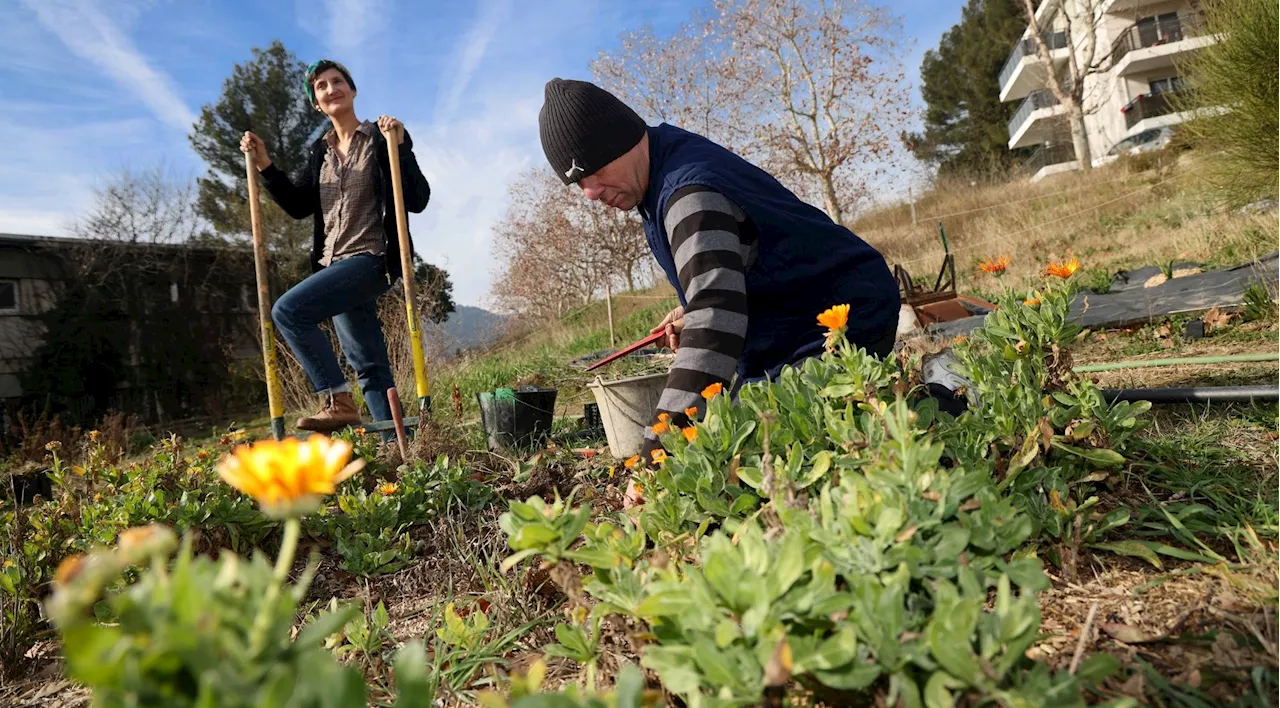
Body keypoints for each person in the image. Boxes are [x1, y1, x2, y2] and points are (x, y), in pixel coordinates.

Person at [537, 78, 901, 468]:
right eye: (578, 182)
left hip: (837, 321)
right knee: (727, 431)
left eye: (593, 169)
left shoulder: (688, 194)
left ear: (621, 139)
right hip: (792, 324)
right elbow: (726, 276)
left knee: (758, 445)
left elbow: (714, 326)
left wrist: (655, 452)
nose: (590, 192)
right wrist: (692, 312)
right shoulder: (658, 167)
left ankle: (934, 409)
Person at [240, 59, 431, 436]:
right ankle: (398, 447)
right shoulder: (320, 153)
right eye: (321, 87)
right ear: (316, 102)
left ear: (352, 89)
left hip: (371, 260)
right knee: (369, 364)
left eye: (337, 81)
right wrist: (265, 165)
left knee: (289, 311)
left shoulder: (380, 136)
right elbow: (297, 205)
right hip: (333, 267)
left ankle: (336, 399)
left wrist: (402, 146)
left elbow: (418, 199)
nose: (331, 89)